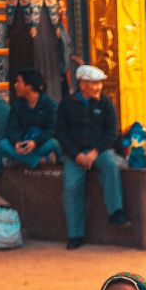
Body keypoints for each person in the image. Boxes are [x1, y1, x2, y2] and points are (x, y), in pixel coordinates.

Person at [55, 64, 129, 250]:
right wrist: (77, 154)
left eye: (99, 83)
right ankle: (75, 234)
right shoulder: (66, 104)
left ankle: (116, 211)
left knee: (111, 164)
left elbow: (111, 131)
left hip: (100, 151)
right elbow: (61, 133)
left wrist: (96, 151)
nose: (98, 87)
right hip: (75, 154)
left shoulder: (105, 103)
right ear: (83, 84)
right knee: (71, 187)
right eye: (94, 83)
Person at [0, 67, 60, 169]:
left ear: (29, 87)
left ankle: (23, 159)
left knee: (53, 144)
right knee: (2, 144)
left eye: (18, 82)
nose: (15, 85)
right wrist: (16, 142)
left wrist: (35, 143)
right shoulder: (18, 104)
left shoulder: (49, 104)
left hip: (39, 145)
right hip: (23, 146)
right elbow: (11, 128)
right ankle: (38, 160)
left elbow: (52, 130)